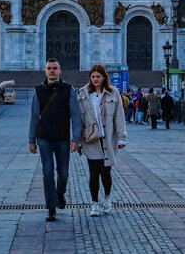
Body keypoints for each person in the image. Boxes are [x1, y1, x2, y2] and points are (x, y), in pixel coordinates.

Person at [29, 58, 82, 222]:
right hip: (44, 137)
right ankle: (51, 207)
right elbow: (34, 116)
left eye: (54, 68)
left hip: (62, 138)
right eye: (49, 68)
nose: (52, 71)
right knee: (47, 172)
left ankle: (60, 193)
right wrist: (31, 139)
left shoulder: (69, 89)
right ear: (45, 71)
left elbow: (75, 115)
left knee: (63, 172)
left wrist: (76, 138)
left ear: (60, 71)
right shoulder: (38, 90)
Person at [76, 64, 127, 217]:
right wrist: (77, 140)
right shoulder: (82, 94)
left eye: (98, 76)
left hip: (108, 138)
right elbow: (78, 120)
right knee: (93, 173)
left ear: (104, 77)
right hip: (91, 139)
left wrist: (122, 137)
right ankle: (94, 204)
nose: (96, 79)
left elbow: (120, 116)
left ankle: (107, 198)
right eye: (93, 77)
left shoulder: (113, 93)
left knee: (106, 173)